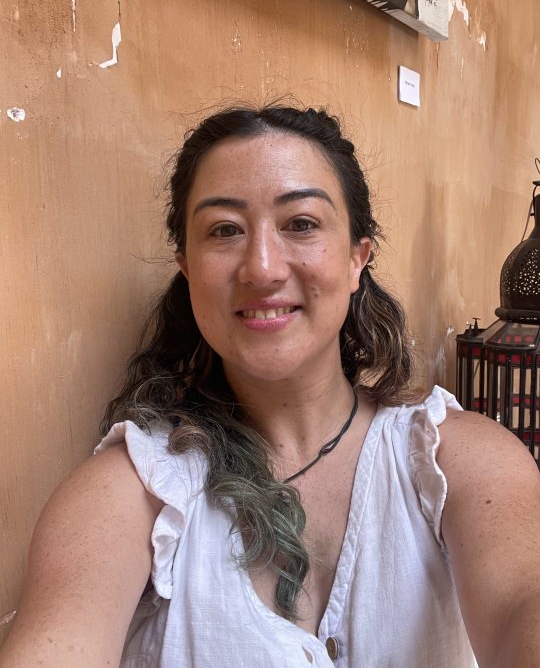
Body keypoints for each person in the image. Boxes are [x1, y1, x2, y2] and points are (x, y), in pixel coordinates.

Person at [1, 105, 539, 668]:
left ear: (357, 258)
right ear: (187, 269)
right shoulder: (130, 494)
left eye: (301, 224)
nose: (262, 268)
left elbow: (522, 606)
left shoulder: (460, 465)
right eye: (224, 230)